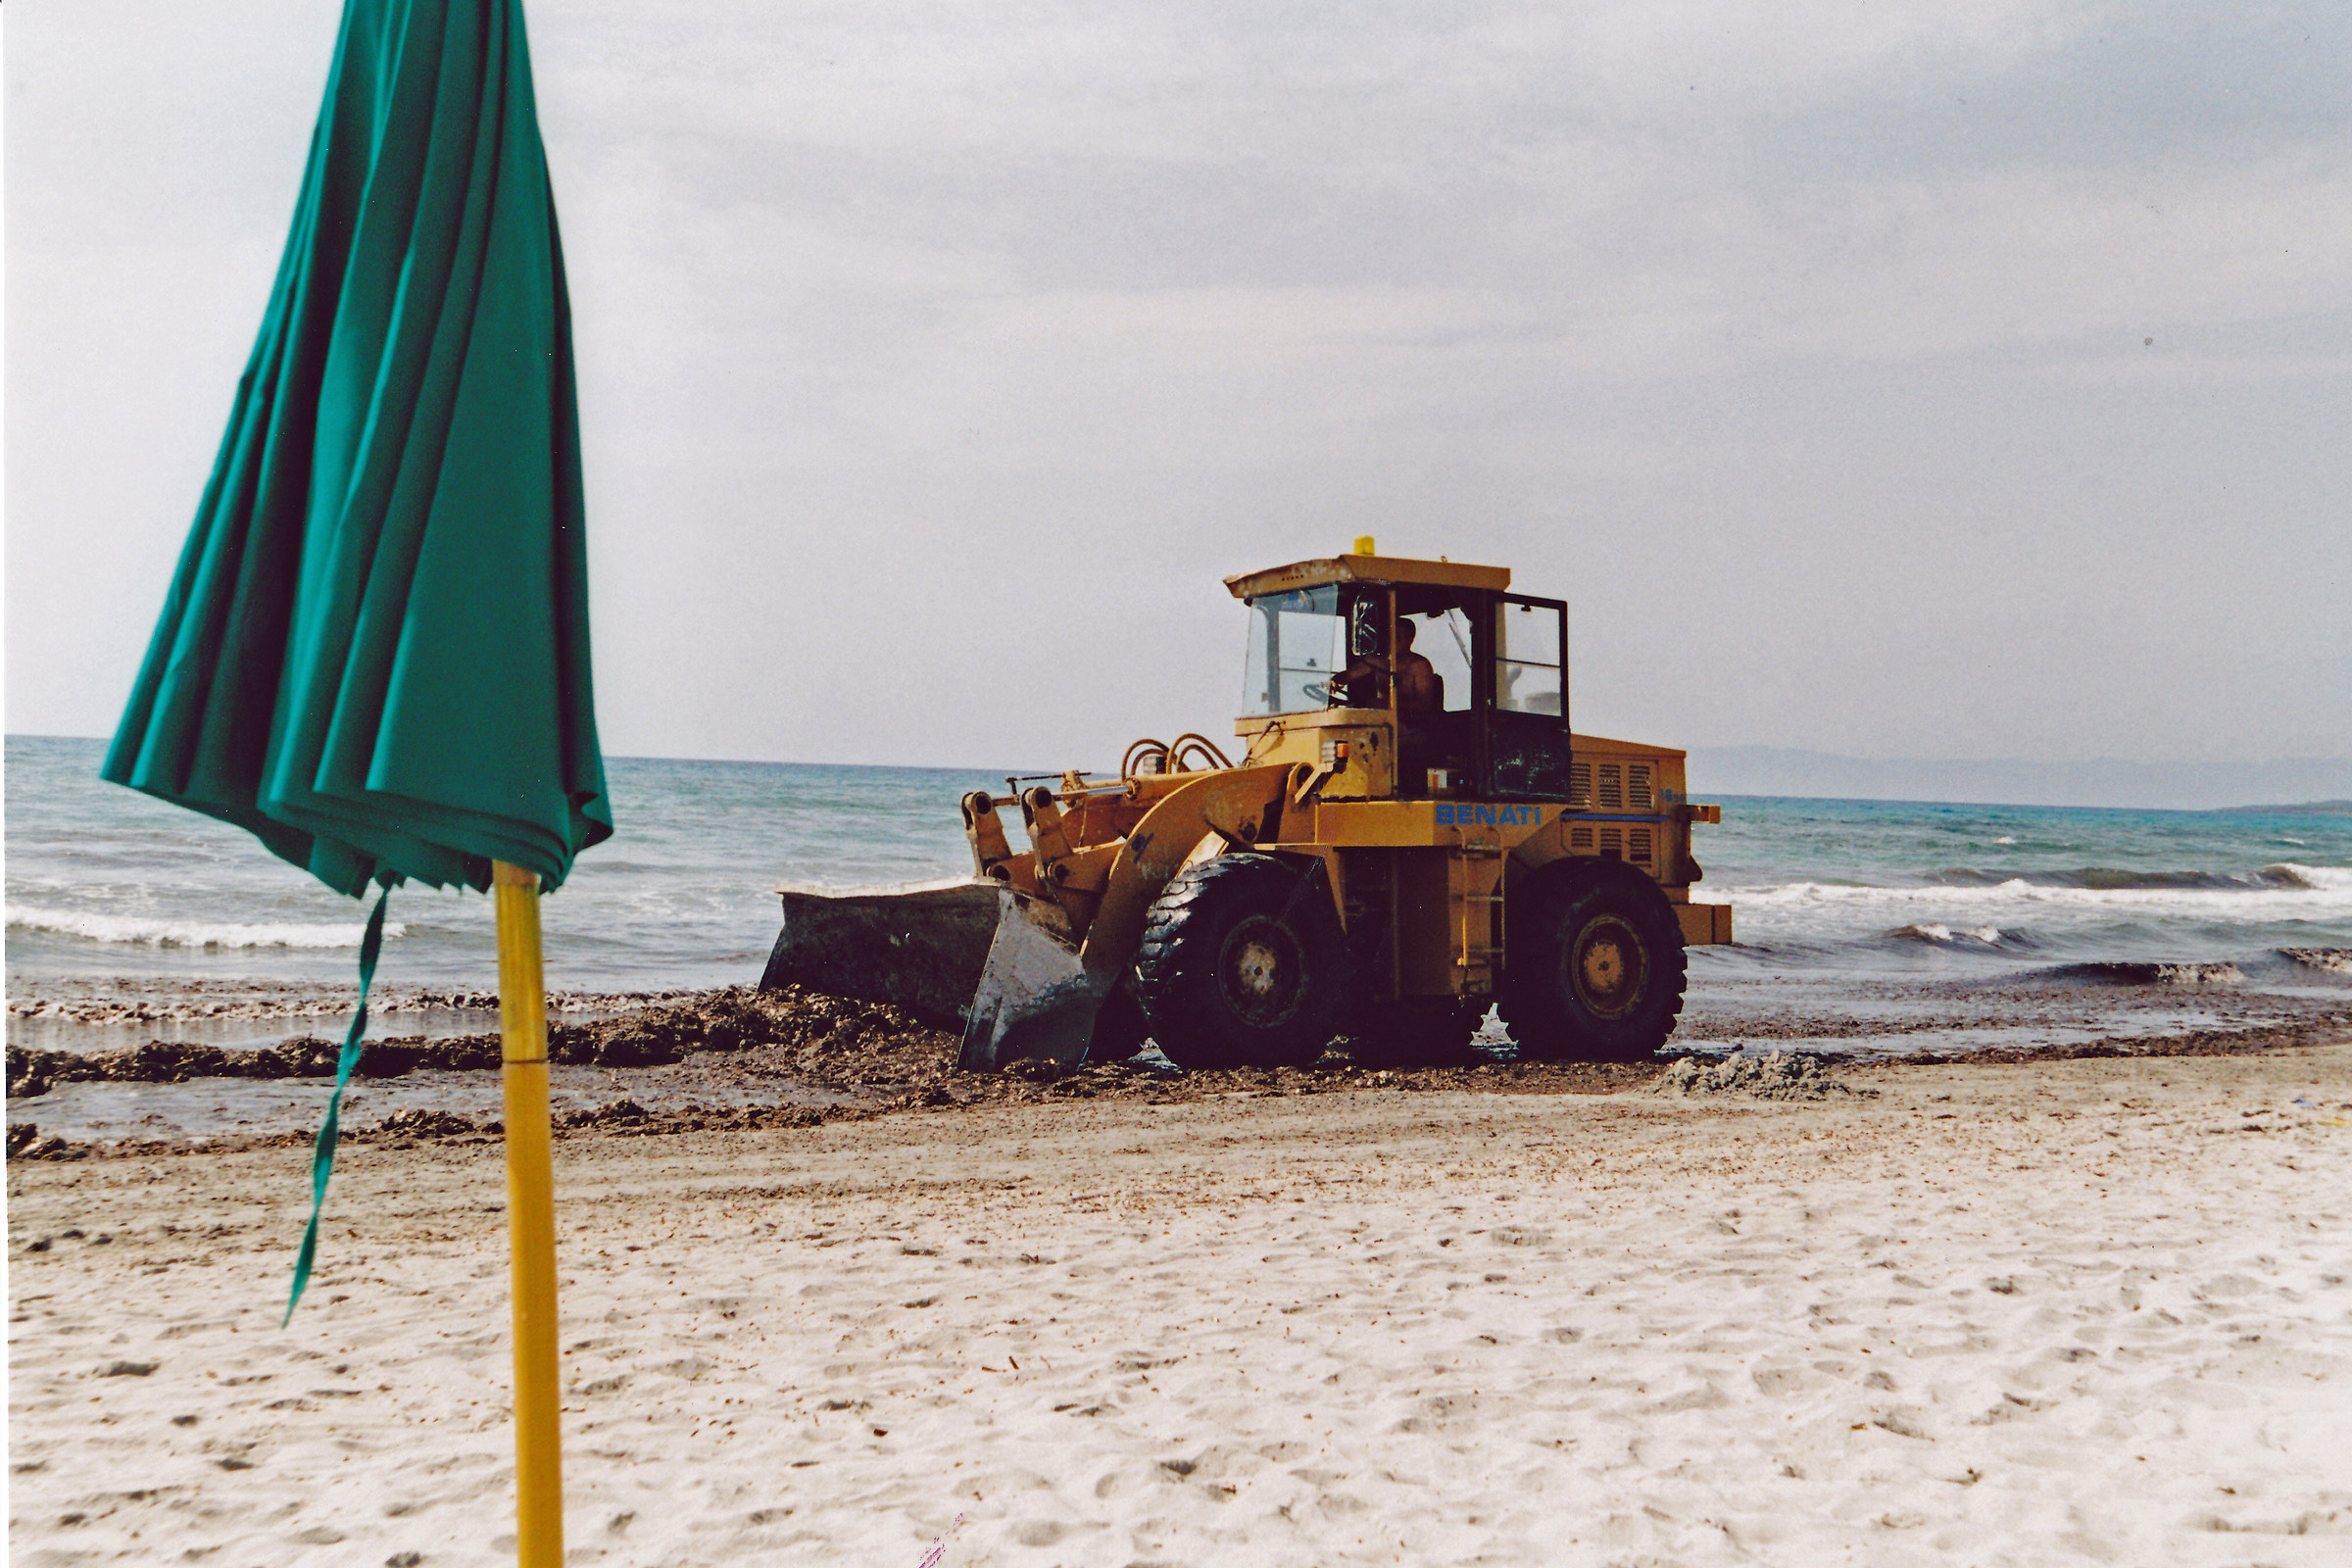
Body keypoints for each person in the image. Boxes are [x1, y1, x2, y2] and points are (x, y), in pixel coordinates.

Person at [1338, 616, 1443, 713]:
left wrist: (1387, 704)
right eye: (1389, 636)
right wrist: (1335, 681)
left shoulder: (1419, 666)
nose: (1391, 641)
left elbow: (1424, 705)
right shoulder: (1378, 660)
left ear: (1409, 640)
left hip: (1411, 724)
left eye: (1397, 637)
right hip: (1382, 721)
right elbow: (1351, 674)